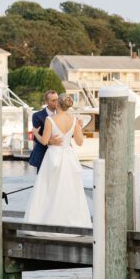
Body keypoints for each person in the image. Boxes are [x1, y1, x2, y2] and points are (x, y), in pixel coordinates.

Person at [24, 94, 91, 228]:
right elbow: (80, 142)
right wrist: (77, 127)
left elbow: (44, 141)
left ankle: (46, 222)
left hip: (53, 155)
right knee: (70, 189)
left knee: (48, 189)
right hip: (69, 156)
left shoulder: (50, 119)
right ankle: (73, 222)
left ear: (58, 105)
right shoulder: (74, 120)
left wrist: (35, 133)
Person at [28, 90, 61, 172]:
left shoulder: (63, 115)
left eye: (57, 99)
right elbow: (36, 137)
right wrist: (49, 141)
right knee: (42, 181)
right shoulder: (37, 116)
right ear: (46, 102)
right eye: (53, 100)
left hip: (61, 154)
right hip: (43, 154)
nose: (56, 102)